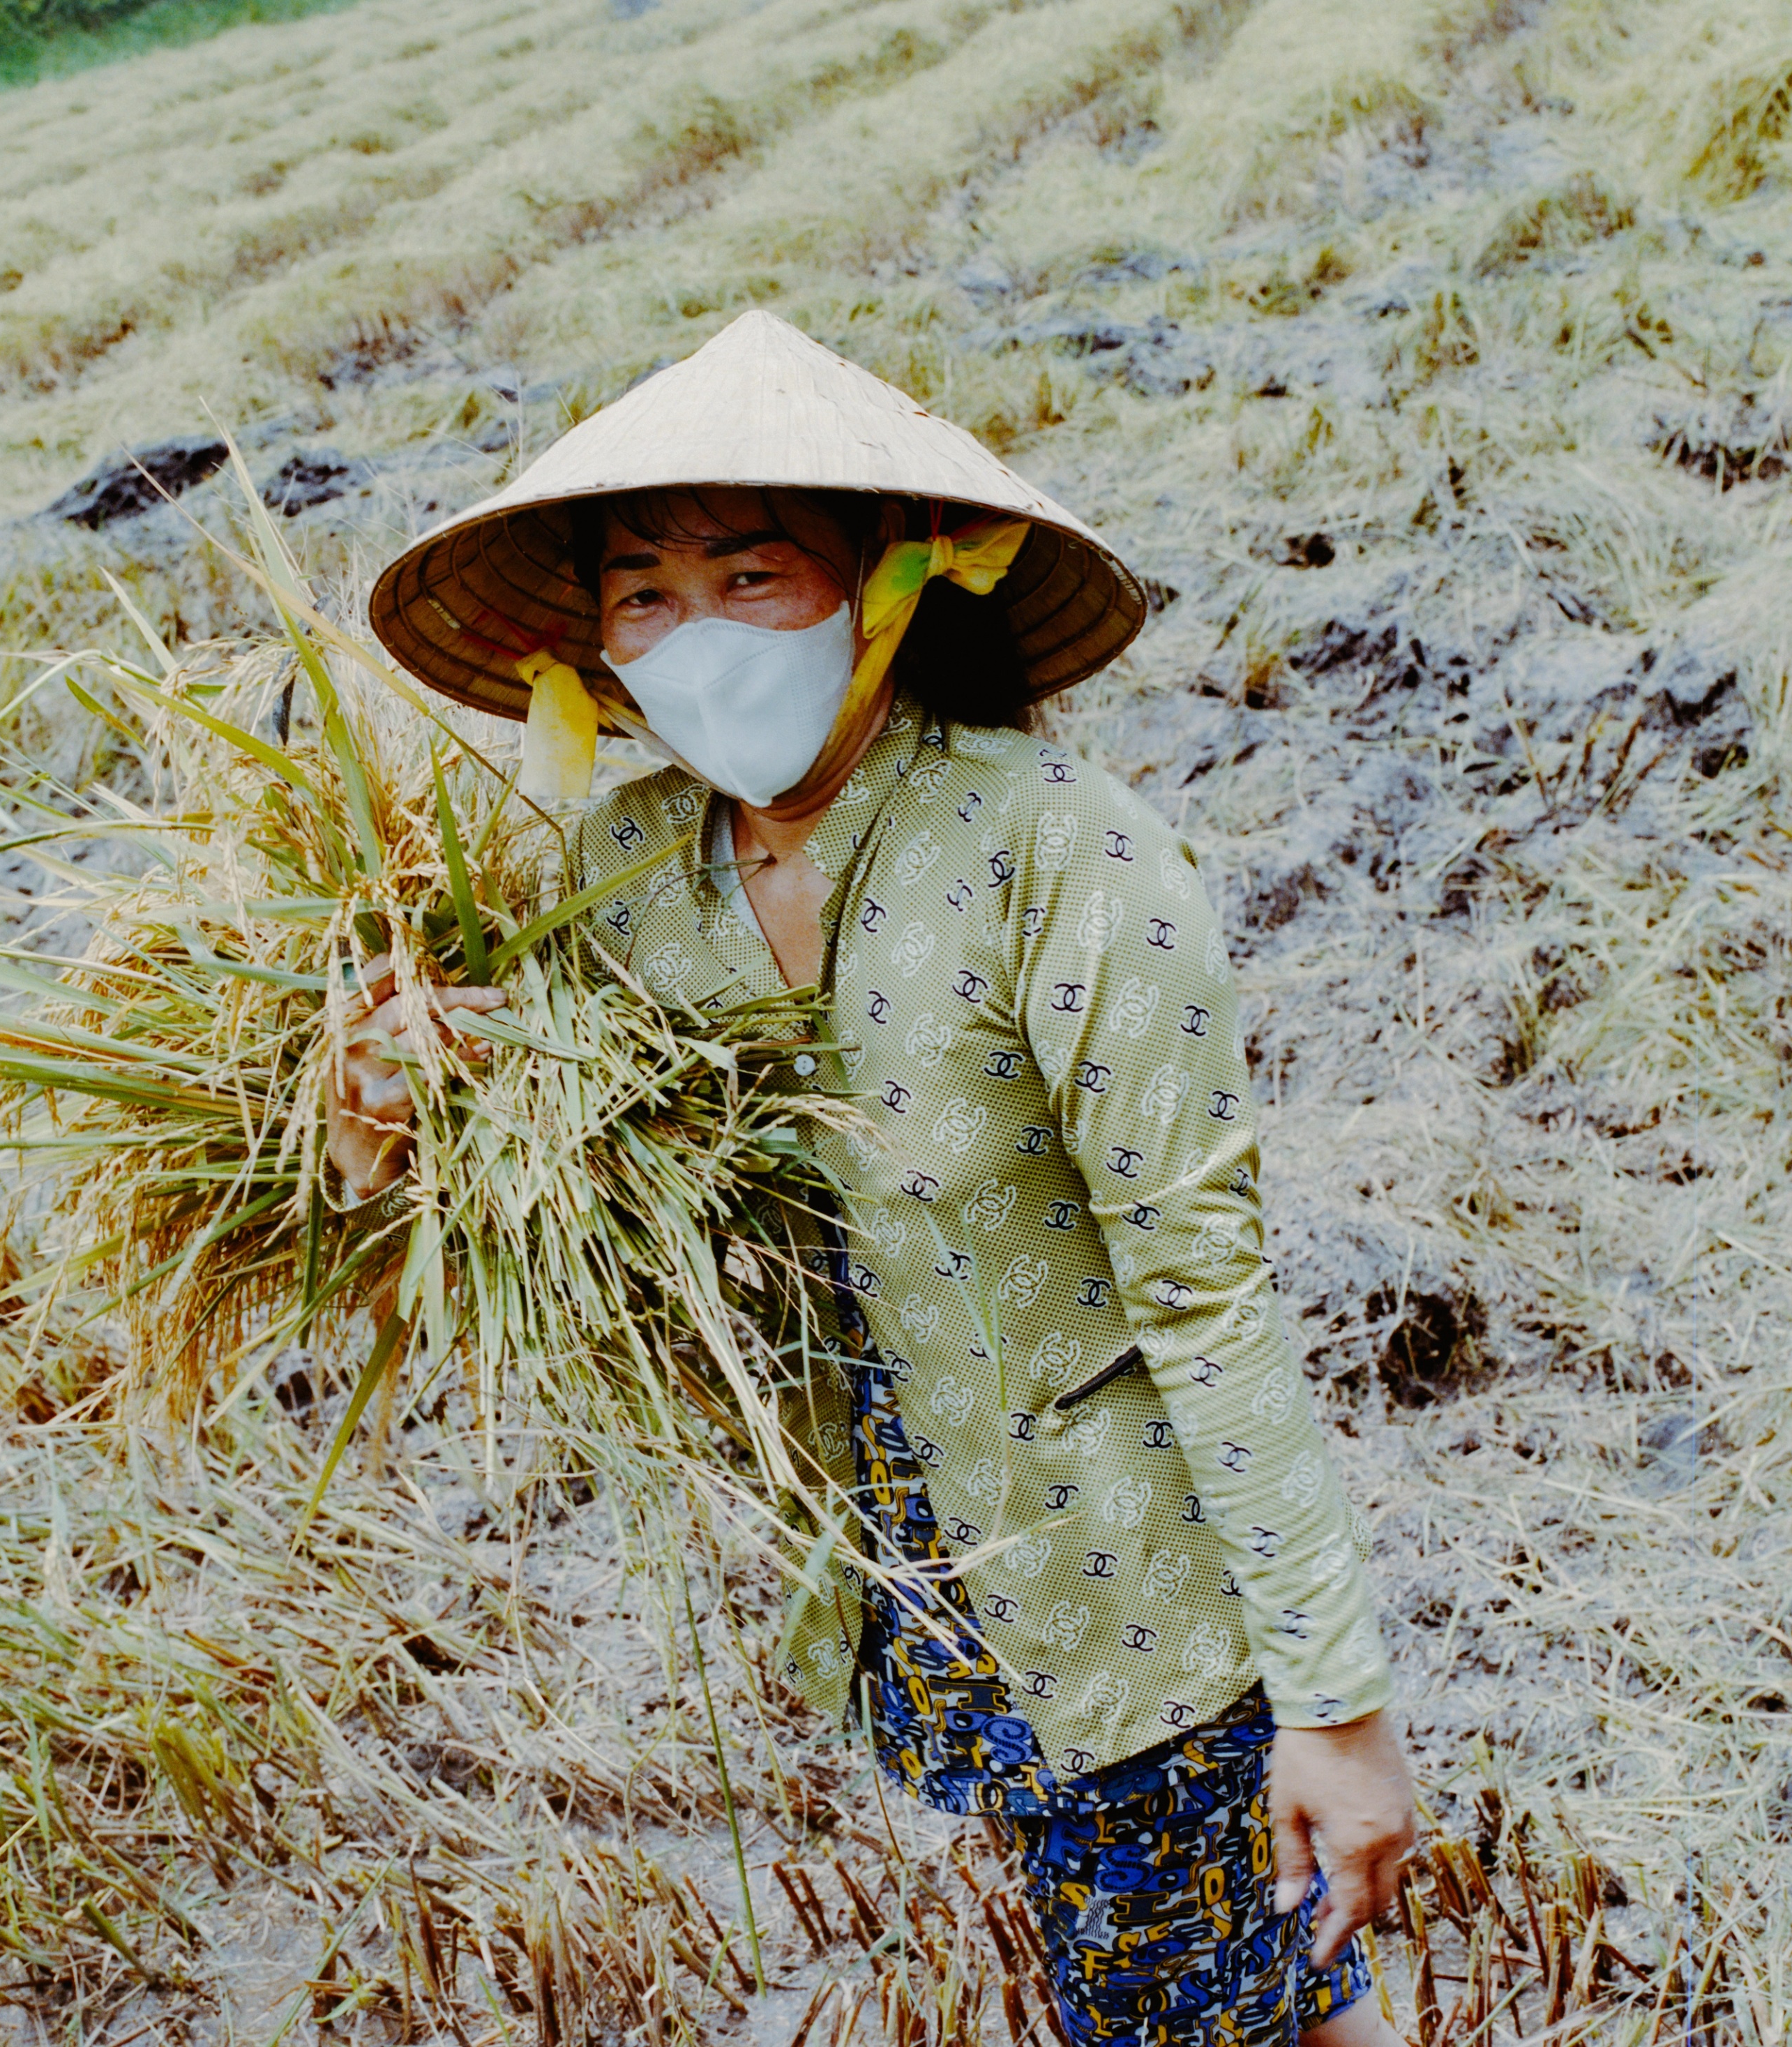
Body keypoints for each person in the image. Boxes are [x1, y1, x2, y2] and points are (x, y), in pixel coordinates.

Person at [345, 311, 1416, 2046]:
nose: (691, 637)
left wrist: (1337, 1703)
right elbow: (519, 1270)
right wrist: (394, 1121)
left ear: (891, 589)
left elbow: (1210, 1303)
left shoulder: (1058, 854)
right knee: (1260, 1994)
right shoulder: (615, 891)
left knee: (1190, 2001)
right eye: (642, 597)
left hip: (1135, 1611)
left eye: (750, 575)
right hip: (914, 1594)